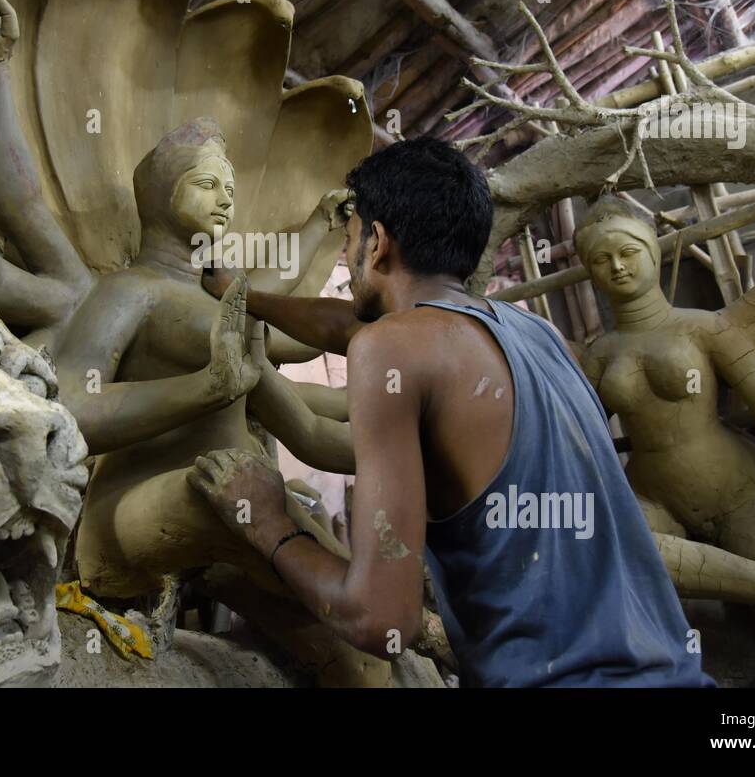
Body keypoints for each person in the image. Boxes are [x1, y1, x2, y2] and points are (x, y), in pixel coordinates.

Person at [191, 137, 712, 687]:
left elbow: (377, 617)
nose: (346, 257)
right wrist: (240, 293)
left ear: (377, 243)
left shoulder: (393, 348)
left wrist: (268, 522)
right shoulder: (537, 333)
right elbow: (344, 325)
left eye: (348, 241)